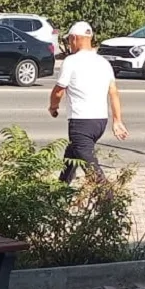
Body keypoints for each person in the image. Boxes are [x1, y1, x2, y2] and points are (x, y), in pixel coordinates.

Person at [48, 21, 129, 184]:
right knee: (71, 157)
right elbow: (113, 92)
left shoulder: (72, 61)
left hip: (81, 122)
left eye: (69, 40)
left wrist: (53, 107)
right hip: (99, 122)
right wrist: (117, 120)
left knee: (92, 170)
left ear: (74, 38)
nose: (69, 44)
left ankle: (110, 200)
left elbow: (59, 90)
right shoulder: (103, 63)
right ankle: (59, 193)